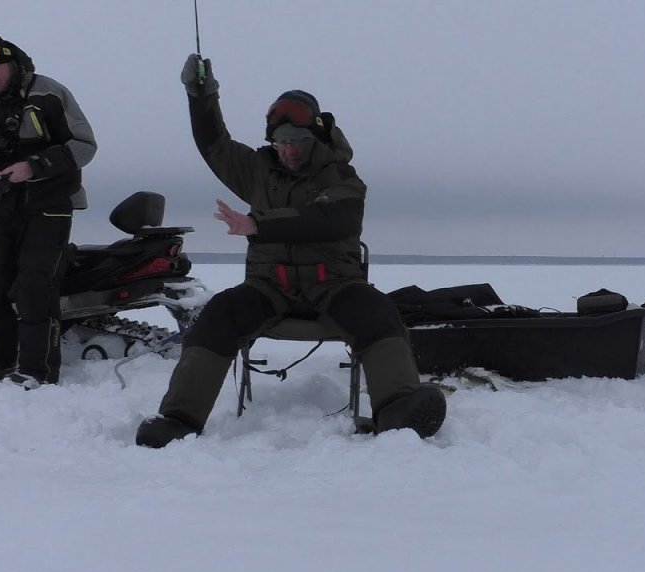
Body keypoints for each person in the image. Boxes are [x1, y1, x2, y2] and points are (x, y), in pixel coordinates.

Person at [134, 54, 447, 448]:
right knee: (219, 314)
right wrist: (201, 95)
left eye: (297, 141)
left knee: (379, 312)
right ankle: (178, 420)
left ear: (315, 138)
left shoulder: (343, 178)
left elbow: (332, 220)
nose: (288, 150)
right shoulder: (257, 171)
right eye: (281, 142)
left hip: (335, 286)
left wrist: (258, 225)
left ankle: (397, 410)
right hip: (269, 288)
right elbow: (214, 144)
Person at [0, 31, 97, 387]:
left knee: (34, 286)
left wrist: (34, 166)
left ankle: (37, 372)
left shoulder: (50, 92)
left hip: (48, 206)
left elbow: (84, 145)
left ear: (11, 62)